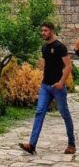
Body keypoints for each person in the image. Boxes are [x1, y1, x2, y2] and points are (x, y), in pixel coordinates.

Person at [19, 22, 76, 155]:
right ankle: (31, 145)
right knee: (39, 113)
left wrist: (61, 82)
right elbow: (46, 64)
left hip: (58, 87)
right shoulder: (44, 48)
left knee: (65, 114)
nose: (43, 33)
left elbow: (68, 66)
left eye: (45, 30)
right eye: (42, 31)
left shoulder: (60, 47)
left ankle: (71, 144)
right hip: (45, 86)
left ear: (51, 31)